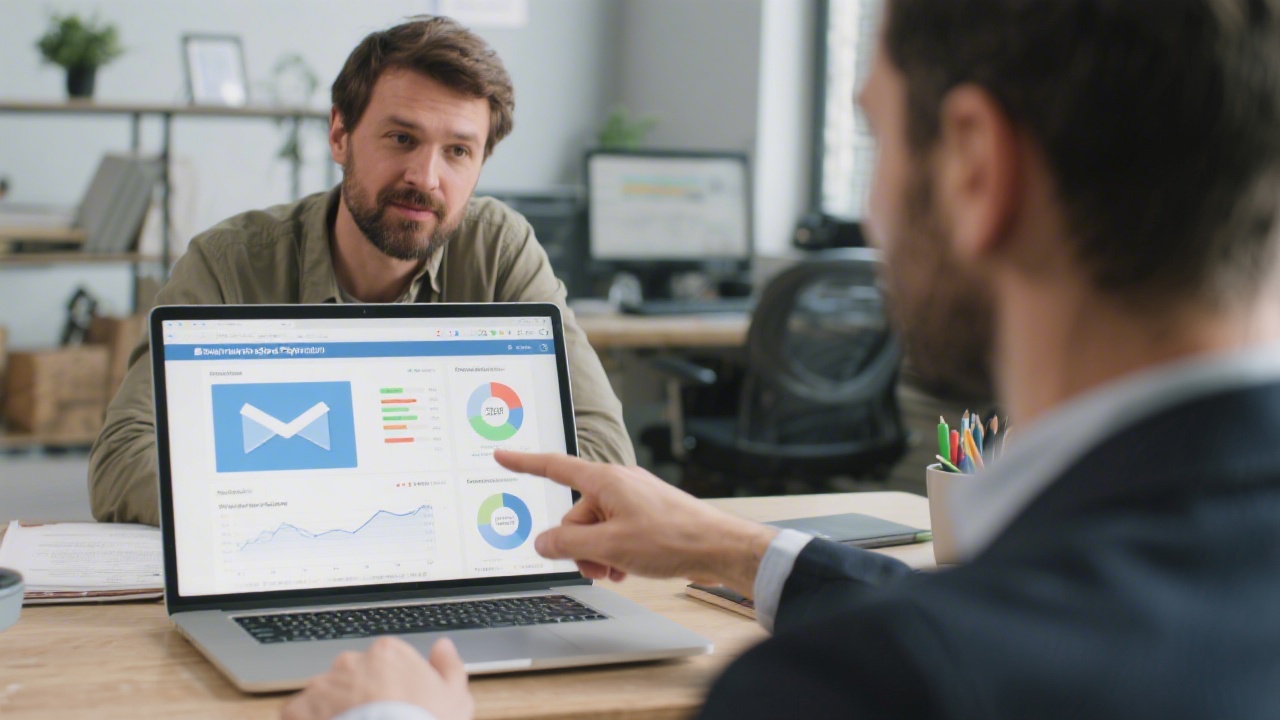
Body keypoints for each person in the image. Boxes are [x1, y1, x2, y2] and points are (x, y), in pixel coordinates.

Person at [284, 1, 1280, 718]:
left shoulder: (857, 688)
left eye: (873, 136)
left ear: (976, 167)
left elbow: (950, 642)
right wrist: (730, 546)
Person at [89, 17, 634, 526]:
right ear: (339, 135)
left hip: (465, 566)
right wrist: (348, 512)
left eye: (458, 151)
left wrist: (391, 506)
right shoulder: (230, 262)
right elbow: (123, 459)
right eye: (402, 138)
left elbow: (605, 456)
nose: (426, 177)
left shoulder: (500, 249)